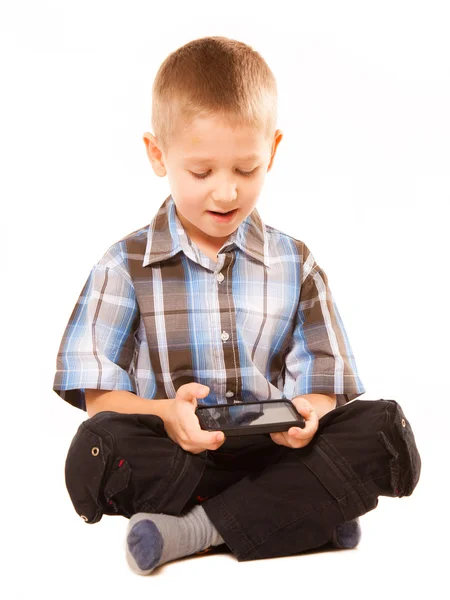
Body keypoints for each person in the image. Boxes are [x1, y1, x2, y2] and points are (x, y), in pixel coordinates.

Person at [53, 36, 421, 576]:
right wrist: (166, 416)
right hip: (180, 458)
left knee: (385, 431)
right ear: (159, 154)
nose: (225, 193)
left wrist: (309, 416)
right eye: (201, 173)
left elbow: (323, 381)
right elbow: (101, 399)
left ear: (271, 151)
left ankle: (195, 531)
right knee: (97, 450)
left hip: (276, 450)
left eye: (245, 170)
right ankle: (305, 514)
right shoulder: (123, 264)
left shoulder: (296, 262)